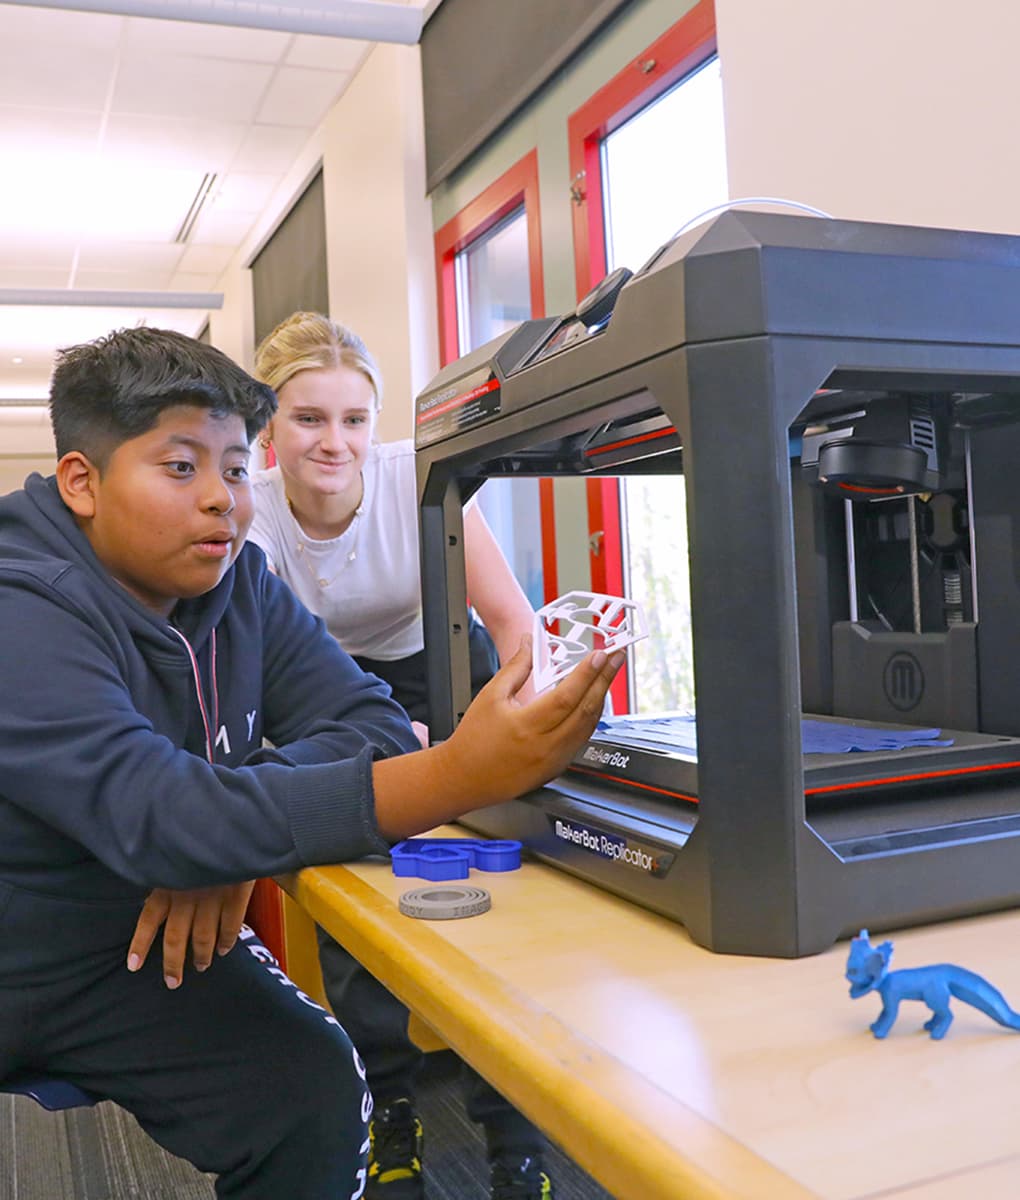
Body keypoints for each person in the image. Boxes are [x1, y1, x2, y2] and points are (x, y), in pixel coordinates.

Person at [0, 327, 622, 1200]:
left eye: (230, 467)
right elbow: (158, 817)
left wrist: (223, 837)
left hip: (136, 952)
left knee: (315, 1095)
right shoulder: (20, 602)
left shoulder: (240, 585)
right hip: (19, 944)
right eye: (181, 468)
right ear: (82, 482)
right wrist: (461, 774)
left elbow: (367, 720)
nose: (222, 498)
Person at [249, 312, 550, 1200]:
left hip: (445, 674)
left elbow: (512, 624)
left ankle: (516, 1137)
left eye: (353, 418)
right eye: (308, 419)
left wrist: (500, 738)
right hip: (321, 693)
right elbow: (267, 670)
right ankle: (391, 1109)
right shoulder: (249, 513)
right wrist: (388, 751)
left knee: (497, 890)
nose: (333, 442)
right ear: (269, 424)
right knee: (356, 892)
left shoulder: (414, 480)